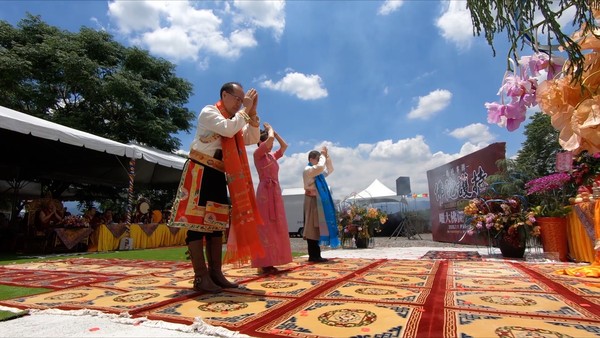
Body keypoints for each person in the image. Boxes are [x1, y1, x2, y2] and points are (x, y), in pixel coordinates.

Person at [170, 82, 265, 293]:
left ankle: (216, 274)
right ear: (225, 95)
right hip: (200, 170)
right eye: (238, 99)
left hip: (219, 173)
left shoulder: (234, 119)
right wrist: (246, 110)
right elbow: (229, 130)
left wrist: (253, 113)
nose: (241, 103)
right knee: (196, 223)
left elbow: (252, 137)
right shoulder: (209, 112)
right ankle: (200, 277)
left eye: (243, 100)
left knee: (216, 225)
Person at [252, 122, 293, 274]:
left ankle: (273, 260)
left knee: (277, 226)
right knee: (265, 228)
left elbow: (285, 146)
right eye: (269, 142)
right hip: (264, 193)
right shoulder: (258, 154)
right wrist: (269, 131)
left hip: (275, 191)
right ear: (260, 142)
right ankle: (264, 263)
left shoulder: (271, 156)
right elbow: (268, 142)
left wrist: (275, 134)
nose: (272, 144)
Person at [303, 146, 339, 262]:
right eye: (318, 159)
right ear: (311, 159)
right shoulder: (308, 170)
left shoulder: (317, 173)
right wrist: (323, 155)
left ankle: (316, 255)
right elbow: (320, 167)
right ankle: (313, 255)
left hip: (317, 201)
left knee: (317, 227)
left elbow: (329, 170)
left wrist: (326, 156)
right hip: (312, 200)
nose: (319, 162)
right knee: (311, 227)